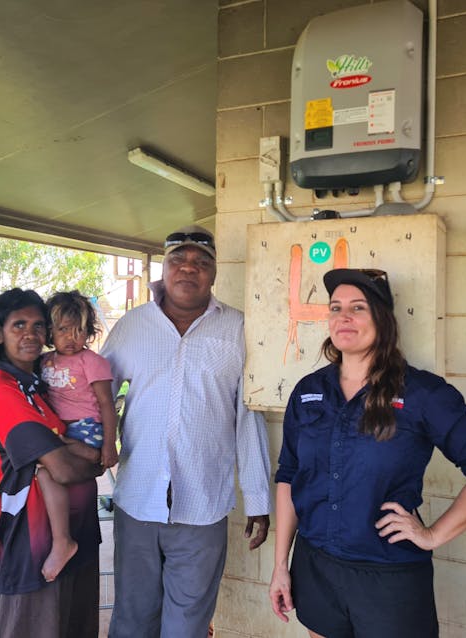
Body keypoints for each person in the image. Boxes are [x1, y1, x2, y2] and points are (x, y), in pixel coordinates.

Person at [269, 268, 466, 638]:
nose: (343, 317)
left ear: (383, 319)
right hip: (315, 565)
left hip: (388, 576)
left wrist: (432, 535)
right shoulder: (308, 391)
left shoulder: (423, 394)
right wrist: (280, 566)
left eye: (358, 307)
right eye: (335, 308)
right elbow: (289, 475)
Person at [101, 225, 272, 638]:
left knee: (187, 625)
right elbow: (96, 395)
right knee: (132, 618)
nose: (189, 269)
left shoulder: (237, 329)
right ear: (164, 269)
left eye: (201, 263)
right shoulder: (132, 325)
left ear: (214, 274)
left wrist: (258, 498)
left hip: (203, 503)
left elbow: (248, 417)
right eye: (179, 260)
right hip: (137, 500)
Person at [0, 288, 103, 638]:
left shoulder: (41, 384)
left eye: (38, 325)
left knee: (75, 626)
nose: (30, 333)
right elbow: (60, 468)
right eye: (18, 325)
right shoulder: (2, 388)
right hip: (35, 543)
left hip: (79, 533)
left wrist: (87, 453)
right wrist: (96, 461)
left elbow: (72, 448)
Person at [36, 290, 119, 582]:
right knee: (47, 459)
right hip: (62, 428)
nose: (72, 337)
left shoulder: (91, 361)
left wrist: (110, 445)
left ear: (88, 332)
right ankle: (76, 449)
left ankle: (85, 451)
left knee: (47, 470)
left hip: (86, 426)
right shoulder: (44, 362)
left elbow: (108, 404)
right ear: (50, 332)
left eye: (79, 330)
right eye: (63, 330)